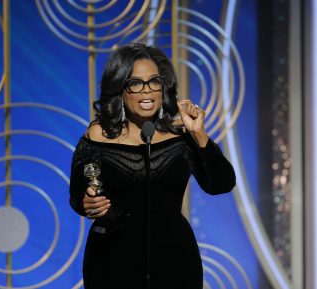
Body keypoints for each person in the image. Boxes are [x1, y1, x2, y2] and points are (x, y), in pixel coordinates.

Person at [69, 42, 236, 289]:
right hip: (112, 259)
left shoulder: (181, 137)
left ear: (163, 87)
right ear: (121, 89)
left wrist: (200, 136)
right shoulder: (99, 134)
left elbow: (221, 184)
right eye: (136, 83)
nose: (147, 92)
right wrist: (86, 203)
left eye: (154, 82)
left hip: (174, 259)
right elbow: (77, 195)